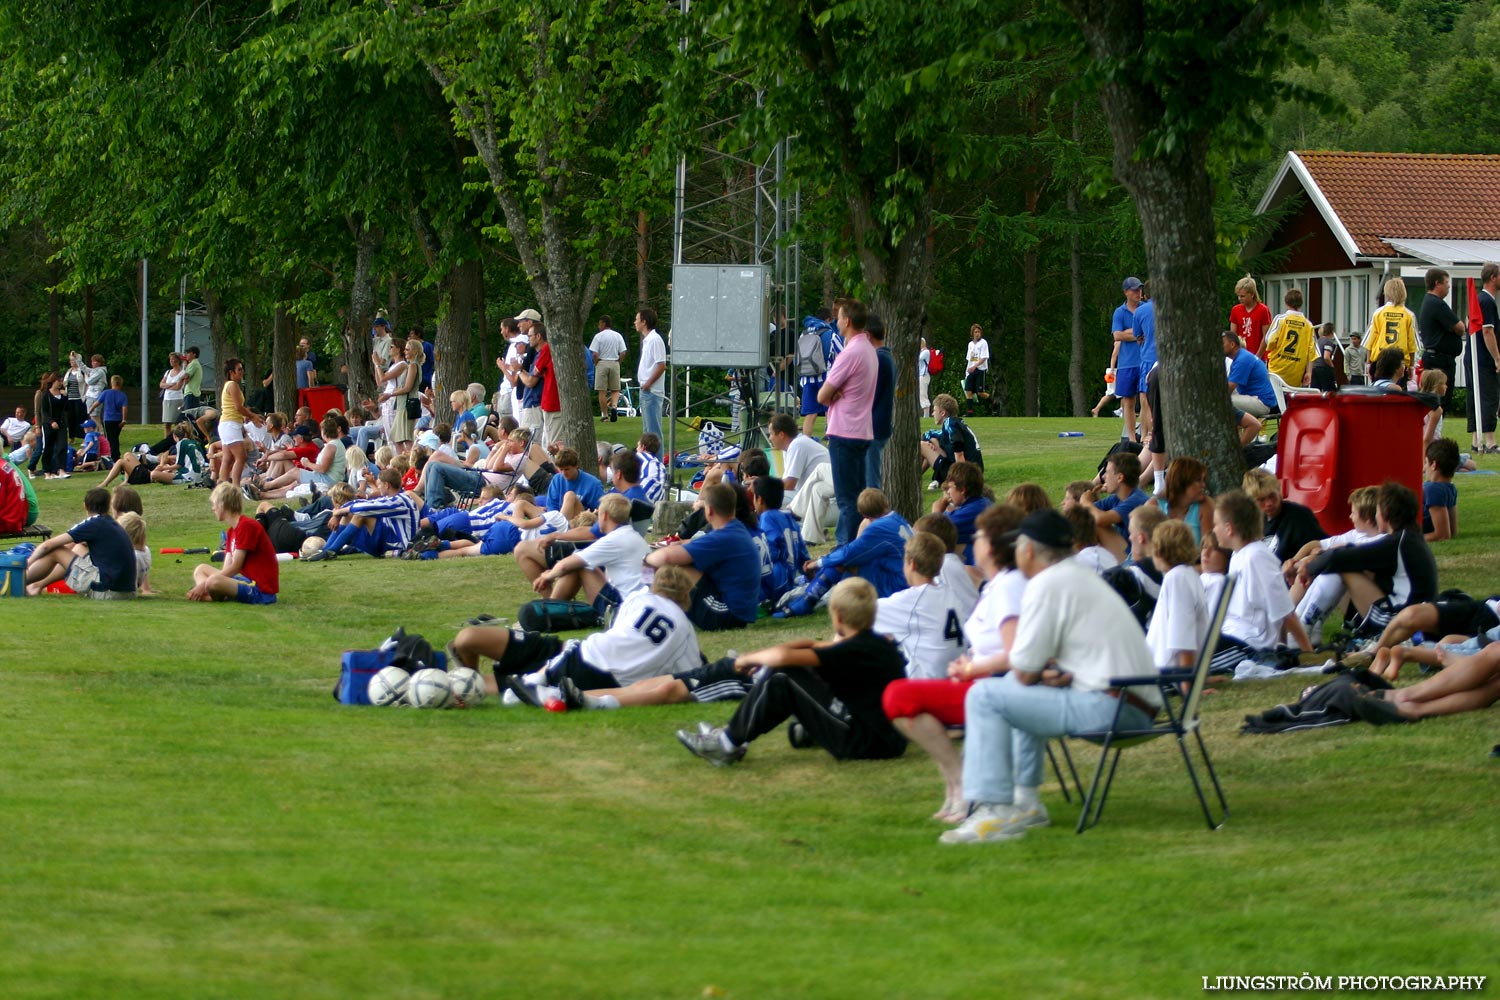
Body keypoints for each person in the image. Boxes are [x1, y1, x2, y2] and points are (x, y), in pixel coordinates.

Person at [940, 509, 1159, 844]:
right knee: (1013, 689)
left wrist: (1039, 673)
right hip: (1137, 703)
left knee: (985, 696)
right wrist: (1056, 674)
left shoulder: (1047, 584)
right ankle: (1025, 803)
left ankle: (995, 812)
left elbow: (1026, 672)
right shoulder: (1077, 576)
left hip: (1114, 708)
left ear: (1027, 550)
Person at [676, 577, 908, 767]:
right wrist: (762, 657)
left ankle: (726, 743)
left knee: (783, 677)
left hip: (864, 743)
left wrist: (747, 659)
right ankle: (731, 735)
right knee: (794, 670)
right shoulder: (879, 644)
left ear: (837, 616)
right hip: (887, 739)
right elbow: (811, 644)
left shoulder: (852, 649)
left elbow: (783, 659)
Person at [881, 509, 1020, 822]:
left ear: (995, 547)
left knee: (896, 696)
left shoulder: (1008, 587)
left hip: (991, 688)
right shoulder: (991, 586)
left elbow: (1018, 655)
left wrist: (973, 668)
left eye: (981, 536)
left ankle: (961, 780)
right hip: (976, 680)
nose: (973, 541)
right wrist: (970, 661)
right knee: (897, 697)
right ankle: (955, 782)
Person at [455, 566, 703, 708]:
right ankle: (468, 684)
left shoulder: (639, 597)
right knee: (470, 646)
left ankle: (460, 685)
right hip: (578, 661)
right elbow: (692, 675)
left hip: (579, 654)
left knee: (467, 641)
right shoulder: (684, 627)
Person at [1302, 480, 1437, 638]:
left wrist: (1308, 568)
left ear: (1386, 513)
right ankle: (1306, 623)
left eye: (1377, 511)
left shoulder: (1396, 544)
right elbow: (1351, 553)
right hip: (1413, 614)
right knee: (1348, 563)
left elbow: (1338, 558)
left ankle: (1303, 625)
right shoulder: (1408, 537)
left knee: (1343, 567)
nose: (1375, 515)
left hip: (1400, 619)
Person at [1205, 490, 1312, 674]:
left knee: (1188, 663)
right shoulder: (1239, 555)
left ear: (1229, 528)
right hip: (1230, 636)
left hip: (1246, 644)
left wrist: (1308, 654)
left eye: (1216, 525)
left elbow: (1285, 611)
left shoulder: (1257, 557)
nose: (1213, 530)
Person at [776, 487, 913, 618]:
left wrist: (817, 563)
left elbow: (848, 553)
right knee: (845, 559)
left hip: (898, 585)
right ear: (885, 503)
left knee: (843, 562)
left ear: (864, 514)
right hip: (906, 577)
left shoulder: (879, 528)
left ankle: (806, 601)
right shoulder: (896, 519)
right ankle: (808, 592)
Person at [645, 482, 759, 630]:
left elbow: (665, 558)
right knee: (683, 561)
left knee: (670, 568)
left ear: (709, 510)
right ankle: (651, 607)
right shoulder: (735, 530)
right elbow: (693, 546)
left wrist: (645, 561)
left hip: (726, 614)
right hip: (739, 613)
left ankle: (644, 606)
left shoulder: (723, 537)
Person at [817, 298, 878, 545]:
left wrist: (833, 393)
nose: (837, 321)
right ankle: (860, 544)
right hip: (863, 430)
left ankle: (846, 549)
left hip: (844, 432)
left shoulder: (850, 353)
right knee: (859, 496)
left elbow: (822, 395)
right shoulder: (869, 350)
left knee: (847, 500)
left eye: (840, 317)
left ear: (848, 321)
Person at [531, 493, 648, 614]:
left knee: (579, 564)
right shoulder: (631, 535)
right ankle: (551, 607)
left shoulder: (614, 540)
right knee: (581, 561)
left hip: (622, 607)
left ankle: (550, 611)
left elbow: (568, 564)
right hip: (638, 601)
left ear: (605, 516)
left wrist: (547, 576)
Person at [24, 487, 136, 598]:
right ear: (108, 506)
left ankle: (18, 581)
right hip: (127, 591)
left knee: (57, 551)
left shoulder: (94, 523)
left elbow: (47, 545)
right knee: (78, 547)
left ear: (85, 506)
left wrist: (28, 562)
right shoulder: (111, 524)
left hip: (107, 591)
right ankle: (35, 585)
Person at [186, 482, 279, 604]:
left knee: (212, 581)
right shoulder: (231, 532)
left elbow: (236, 567)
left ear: (223, 505)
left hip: (260, 589)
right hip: (246, 581)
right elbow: (227, 568)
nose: (213, 508)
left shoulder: (246, 526)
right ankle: (214, 592)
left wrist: (203, 585)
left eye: (214, 504)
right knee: (201, 569)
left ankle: (209, 595)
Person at [306, 468, 420, 560]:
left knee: (360, 515)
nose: (378, 487)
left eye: (379, 484)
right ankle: (327, 550)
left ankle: (330, 551)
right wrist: (339, 513)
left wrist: (339, 512)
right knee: (352, 514)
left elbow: (365, 506)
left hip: (399, 545)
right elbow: (366, 503)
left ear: (387, 485)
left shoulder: (400, 500)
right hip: (390, 540)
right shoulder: (393, 498)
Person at [1146, 520, 1209, 670]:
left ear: (1159, 550)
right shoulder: (1189, 575)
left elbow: (1182, 636)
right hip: (1167, 669)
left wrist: (1186, 684)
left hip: (1164, 671)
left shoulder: (1176, 578)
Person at [1242, 468, 1325, 562]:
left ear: (1279, 491)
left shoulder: (1299, 516)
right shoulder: (1252, 524)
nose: (1269, 503)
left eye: (1272, 496)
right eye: (1261, 500)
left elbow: (1319, 550)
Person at [1418, 267, 1464, 415]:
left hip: (1434, 357)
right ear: (1437, 283)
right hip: (1440, 360)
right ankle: (1433, 434)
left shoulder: (1428, 301)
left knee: (1435, 399)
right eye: (1446, 282)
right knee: (1440, 400)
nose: (1449, 286)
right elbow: (1460, 327)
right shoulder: (1437, 304)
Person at [1090, 449, 1149, 562]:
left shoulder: (1136, 500)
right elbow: (1084, 512)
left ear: (1120, 477)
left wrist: (1086, 501)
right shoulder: (1117, 498)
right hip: (1127, 552)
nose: (1103, 477)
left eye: (1107, 472)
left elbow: (1100, 519)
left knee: (1098, 525)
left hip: (1135, 559)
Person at [1467, 261, 1500, 453]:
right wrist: (1497, 357)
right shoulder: (1487, 301)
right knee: (1489, 397)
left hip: (1473, 356)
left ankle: (1475, 439)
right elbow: (1488, 332)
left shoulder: (1479, 299)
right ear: (1493, 278)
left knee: (1475, 398)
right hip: (1482, 358)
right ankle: (1489, 442)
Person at [931, 460, 991, 564]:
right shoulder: (979, 503)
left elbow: (933, 533)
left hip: (979, 561)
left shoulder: (972, 510)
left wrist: (936, 512)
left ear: (962, 490)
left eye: (950, 487)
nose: (948, 492)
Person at [919, 392, 982, 490]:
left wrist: (962, 479)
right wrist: (928, 440)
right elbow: (932, 435)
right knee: (932, 441)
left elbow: (958, 444)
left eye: (934, 410)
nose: (932, 413)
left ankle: (913, 478)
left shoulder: (950, 423)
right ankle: (933, 478)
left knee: (921, 446)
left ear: (943, 413)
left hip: (967, 473)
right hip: (976, 472)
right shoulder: (955, 423)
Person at [1364, 276, 1419, 380]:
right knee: (1398, 394)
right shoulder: (1409, 315)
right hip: (1400, 362)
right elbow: (1412, 344)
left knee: (1380, 392)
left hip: (1380, 360)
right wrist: (1411, 366)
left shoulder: (1378, 313)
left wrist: (1368, 363)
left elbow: (1370, 341)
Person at [864, 314, 896, 489]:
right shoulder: (885, 358)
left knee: (871, 481)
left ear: (867, 335)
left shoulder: (878, 359)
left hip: (873, 427)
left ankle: (873, 512)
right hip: (878, 425)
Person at [1261, 287, 1316, 387]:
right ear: (1301, 304)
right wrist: (1309, 373)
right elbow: (1311, 352)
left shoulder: (1280, 319)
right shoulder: (1308, 325)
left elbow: (1269, 340)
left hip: (1276, 370)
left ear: (1286, 302)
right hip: (1295, 374)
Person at [1112, 277, 1144, 442]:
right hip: (1126, 363)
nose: (1138, 293)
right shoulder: (1119, 312)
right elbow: (1117, 335)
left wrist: (1130, 332)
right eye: (1134, 290)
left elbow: (1149, 331)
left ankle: (1145, 436)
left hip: (1144, 361)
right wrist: (1136, 333)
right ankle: (1131, 438)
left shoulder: (1145, 308)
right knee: (1128, 401)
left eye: (1140, 289)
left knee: (1146, 401)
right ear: (1126, 292)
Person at [1155, 456, 1214, 546]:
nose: (1203, 485)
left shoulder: (1205, 506)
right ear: (1181, 481)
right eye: (1198, 480)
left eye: (1203, 480)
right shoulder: (1154, 506)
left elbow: (1208, 549)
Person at [768, 411, 828, 498]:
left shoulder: (797, 445)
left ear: (781, 435)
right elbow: (786, 483)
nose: (770, 438)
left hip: (823, 499)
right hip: (817, 496)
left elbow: (789, 485)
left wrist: (763, 484)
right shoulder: (791, 446)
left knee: (769, 497)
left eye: (771, 434)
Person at [1223, 331, 1276, 417]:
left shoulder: (1242, 359)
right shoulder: (1241, 357)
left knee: (1222, 402)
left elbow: (1229, 388)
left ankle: (1248, 428)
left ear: (1232, 344)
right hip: (1256, 398)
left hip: (1262, 402)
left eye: (1222, 343)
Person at [636, 307, 667, 440]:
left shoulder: (655, 340)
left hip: (652, 391)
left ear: (644, 321)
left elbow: (661, 365)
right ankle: (649, 458)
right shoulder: (648, 340)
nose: (635, 322)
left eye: (637, 319)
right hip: (646, 390)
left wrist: (648, 383)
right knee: (647, 432)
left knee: (653, 433)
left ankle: (657, 460)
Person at [589, 315, 627, 421]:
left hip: (602, 363)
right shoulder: (618, 336)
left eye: (600, 323)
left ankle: (605, 415)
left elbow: (595, 354)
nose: (599, 326)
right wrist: (618, 362)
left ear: (603, 323)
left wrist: (596, 363)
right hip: (614, 363)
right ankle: (614, 406)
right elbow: (623, 352)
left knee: (602, 391)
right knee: (615, 389)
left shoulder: (598, 336)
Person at [1422, 438, 1459, 542]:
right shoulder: (1450, 488)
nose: (1424, 468)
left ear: (1434, 465)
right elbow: (1453, 530)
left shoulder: (1433, 489)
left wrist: (1413, 539)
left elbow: (1443, 534)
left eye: (1426, 463)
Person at [1230, 275, 1273, 357]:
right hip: (1241, 355)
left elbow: (1266, 336)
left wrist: (1257, 357)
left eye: (1242, 296)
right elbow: (1233, 335)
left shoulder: (1263, 310)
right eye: (1238, 296)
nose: (1239, 298)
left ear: (1252, 294)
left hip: (1259, 355)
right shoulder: (1235, 310)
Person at [98, 375, 130, 465]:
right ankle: (116, 454)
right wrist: (124, 419)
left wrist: (91, 409)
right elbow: (124, 408)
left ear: (112, 383)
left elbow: (98, 402)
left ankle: (112, 456)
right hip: (118, 419)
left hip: (108, 419)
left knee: (109, 438)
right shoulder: (122, 395)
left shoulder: (106, 393)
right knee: (115, 438)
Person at [962, 322, 991, 415]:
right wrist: (968, 370)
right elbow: (969, 359)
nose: (977, 333)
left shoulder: (983, 343)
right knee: (968, 390)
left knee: (980, 392)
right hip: (971, 370)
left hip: (980, 369)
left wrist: (975, 366)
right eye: (975, 332)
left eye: (979, 332)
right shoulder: (970, 344)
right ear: (972, 333)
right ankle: (970, 411)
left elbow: (984, 357)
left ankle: (994, 403)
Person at [159, 352, 188, 436]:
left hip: (177, 399)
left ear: (178, 360)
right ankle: (167, 440)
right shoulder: (168, 372)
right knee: (167, 423)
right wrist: (170, 385)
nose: (171, 361)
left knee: (177, 422)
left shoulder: (182, 373)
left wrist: (167, 386)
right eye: (170, 359)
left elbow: (178, 387)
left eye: (173, 359)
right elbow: (161, 384)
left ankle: (178, 438)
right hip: (167, 399)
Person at [181, 345, 205, 412]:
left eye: (189, 353)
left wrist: (180, 378)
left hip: (191, 393)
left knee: (189, 414)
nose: (187, 354)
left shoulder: (193, 363)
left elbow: (186, 377)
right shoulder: (193, 364)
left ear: (194, 354)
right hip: (193, 393)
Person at [917, 337, 931, 417]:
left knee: (923, 395)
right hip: (921, 375)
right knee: (921, 394)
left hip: (924, 375)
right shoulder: (922, 352)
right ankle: (925, 415)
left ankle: (926, 415)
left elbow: (919, 358)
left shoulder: (925, 351)